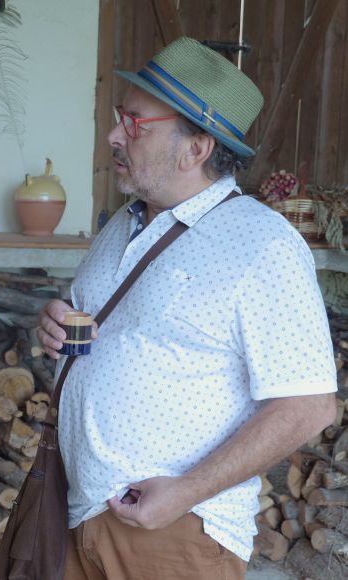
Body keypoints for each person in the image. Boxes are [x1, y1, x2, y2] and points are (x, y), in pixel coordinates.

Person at [37, 37, 337, 580]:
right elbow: (112, 334)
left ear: (195, 148)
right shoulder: (120, 226)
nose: (112, 135)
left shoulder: (261, 244)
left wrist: (183, 494)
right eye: (117, 117)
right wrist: (55, 324)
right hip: (80, 513)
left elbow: (308, 407)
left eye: (134, 123)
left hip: (172, 533)